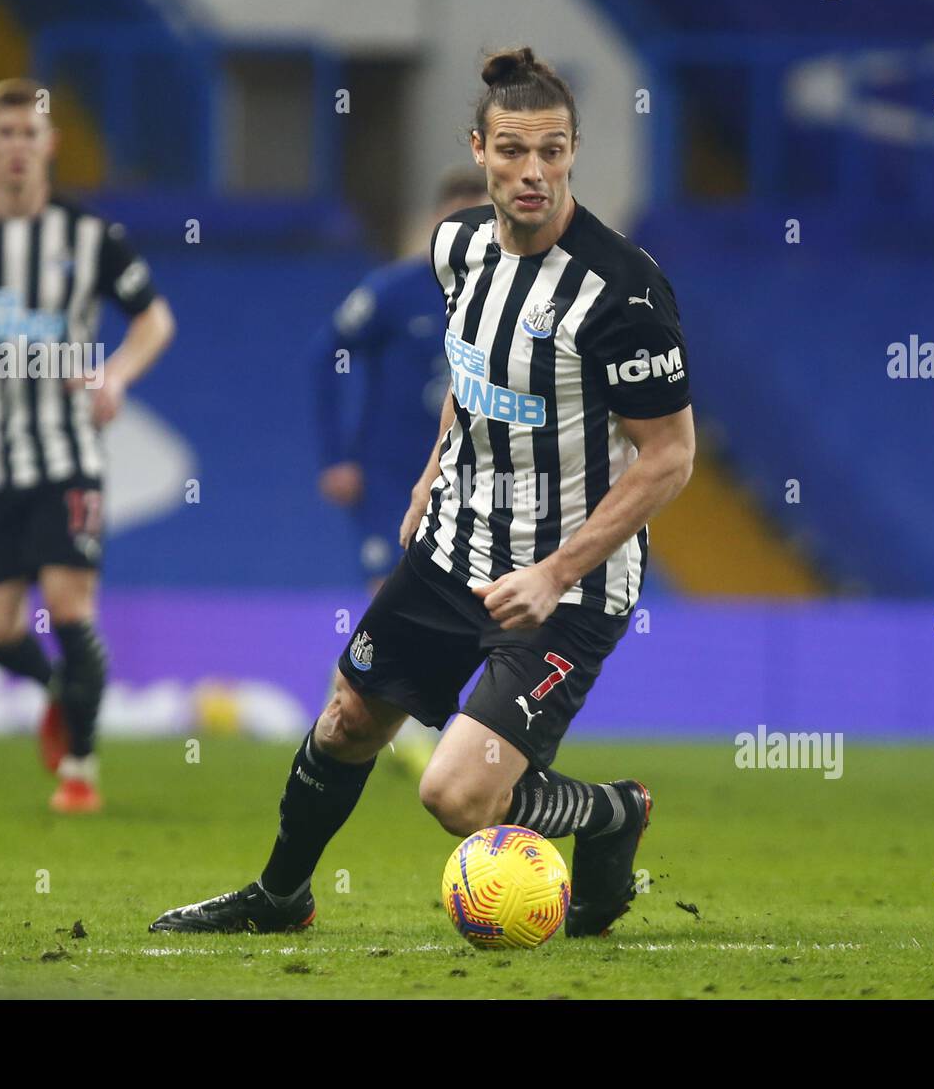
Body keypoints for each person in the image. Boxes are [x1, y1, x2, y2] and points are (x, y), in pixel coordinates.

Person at [151, 46, 694, 937]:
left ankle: (611, 813)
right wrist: (429, 473)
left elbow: (670, 456)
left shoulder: (622, 291)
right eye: (513, 151)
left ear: (574, 152)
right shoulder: (455, 248)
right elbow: (469, 370)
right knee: (348, 718)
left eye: (553, 151)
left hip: (565, 585)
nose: (534, 173)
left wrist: (556, 572)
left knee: (455, 795)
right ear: (476, 149)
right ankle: (280, 898)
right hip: (454, 544)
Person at [0, 78, 175, 813]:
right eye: (5, 134)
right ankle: (58, 692)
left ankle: (80, 769)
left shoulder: (91, 238)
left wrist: (116, 376)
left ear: (50, 144)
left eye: (30, 134)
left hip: (66, 454)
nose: (18, 147)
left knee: (69, 604)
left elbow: (154, 320)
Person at [315, 167, 489, 777]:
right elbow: (327, 354)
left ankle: (372, 713)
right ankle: (388, 723)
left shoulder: (506, 296)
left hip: (472, 477)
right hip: (392, 474)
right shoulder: (393, 290)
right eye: (456, 221)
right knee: (389, 593)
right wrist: (337, 453)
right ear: (435, 226)